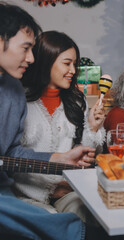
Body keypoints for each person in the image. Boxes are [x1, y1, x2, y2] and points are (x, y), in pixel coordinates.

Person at [0, 2, 93, 239]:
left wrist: (59, 158)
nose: (31, 58)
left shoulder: (13, 90)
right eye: (25, 48)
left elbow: (11, 153)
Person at [11, 31, 106, 221]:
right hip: (27, 196)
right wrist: (50, 188)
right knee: (50, 221)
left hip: (69, 191)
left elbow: (83, 156)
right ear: (46, 62)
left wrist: (92, 128)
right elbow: (10, 156)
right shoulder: (18, 101)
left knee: (91, 213)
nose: (73, 70)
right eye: (67, 63)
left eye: (74, 64)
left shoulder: (77, 102)